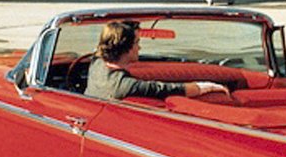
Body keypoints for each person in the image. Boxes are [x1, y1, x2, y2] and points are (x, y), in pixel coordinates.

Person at [85, 21, 228, 101]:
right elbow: (171, 89)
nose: (139, 47)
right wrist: (209, 87)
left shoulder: (96, 64)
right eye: (137, 42)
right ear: (126, 47)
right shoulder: (126, 86)